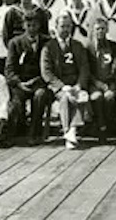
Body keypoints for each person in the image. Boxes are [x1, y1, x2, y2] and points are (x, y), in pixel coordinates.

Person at [40, 13, 90, 149]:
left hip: (76, 84)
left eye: (68, 26)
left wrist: (79, 85)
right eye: (62, 26)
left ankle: (70, 132)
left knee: (82, 96)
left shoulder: (78, 45)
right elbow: (46, 72)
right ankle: (70, 130)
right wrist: (62, 87)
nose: (65, 29)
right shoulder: (48, 47)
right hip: (58, 87)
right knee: (66, 98)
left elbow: (85, 68)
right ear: (56, 27)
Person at [5, 11, 52, 144]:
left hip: (39, 82)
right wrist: (20, 83)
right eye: (29, 25)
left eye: (34, 25)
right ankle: (12, 134)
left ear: (39, 25)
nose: (32, 28)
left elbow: (51, 67)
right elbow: (9, 70)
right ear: (23, 26)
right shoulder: (15, 43)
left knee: (40, 96)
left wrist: (40, 81)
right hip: (21, 83)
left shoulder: (47, 42)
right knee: (16, 102)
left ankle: (34, 133)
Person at [87, 17, 116, 145]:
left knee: (109, 97)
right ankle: (101, 128)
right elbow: (86, 69)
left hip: (109, 83)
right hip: (94, 83)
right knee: (97, 97)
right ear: (93, 30)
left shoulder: (113, 47)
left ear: (107, 30)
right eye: (97, 29)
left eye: (103, 29)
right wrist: (97, 83)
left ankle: (110, 127)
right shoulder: (88, 48)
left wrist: (109, 84)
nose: (100, 32)